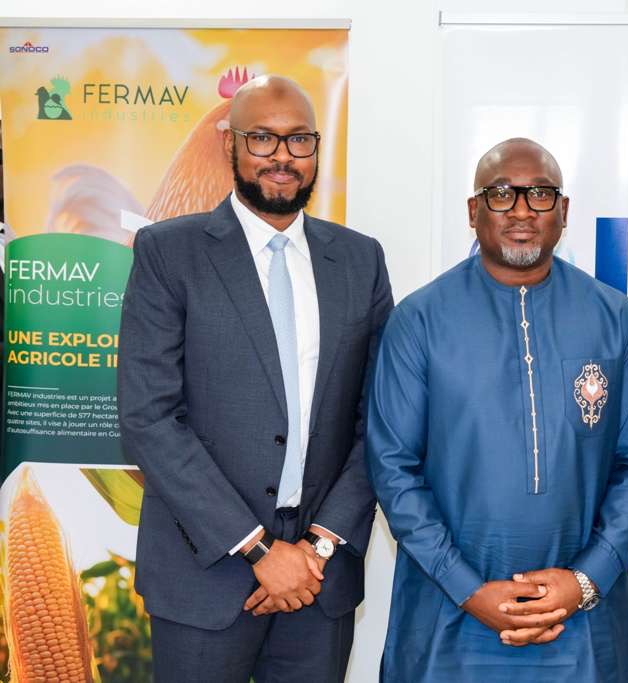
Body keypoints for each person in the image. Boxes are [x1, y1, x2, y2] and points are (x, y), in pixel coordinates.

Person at [118, 75, 392, 681]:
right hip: (204, 569)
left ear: (316, 148)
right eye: (262, 138)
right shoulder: (169, 252)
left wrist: (318, 545)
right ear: (230, 145)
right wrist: (259, 549)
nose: (282, 157)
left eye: (299, 140)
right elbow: (149, 418)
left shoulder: (360, 259)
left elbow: (381, 419)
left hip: (320, 579)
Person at [366, 138, 628, 682]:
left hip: (582, 620)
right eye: (502, 194)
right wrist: (467, 588)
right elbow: (393, 468)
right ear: (473, 210)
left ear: (564, 211)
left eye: (541, 195)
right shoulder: (420, 321)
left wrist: (585, 580)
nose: (523, 211)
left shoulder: (614, 318)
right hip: (448, 616)